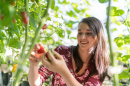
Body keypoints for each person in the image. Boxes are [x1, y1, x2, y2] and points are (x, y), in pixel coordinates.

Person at [28, 17, 110, 86]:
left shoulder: (98, 66)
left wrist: (63, 71)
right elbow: (35, 83)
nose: (82, 37)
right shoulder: (62, 52)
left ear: (98, 37)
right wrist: (34, 65)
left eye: (88, 33)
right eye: (80, 33)